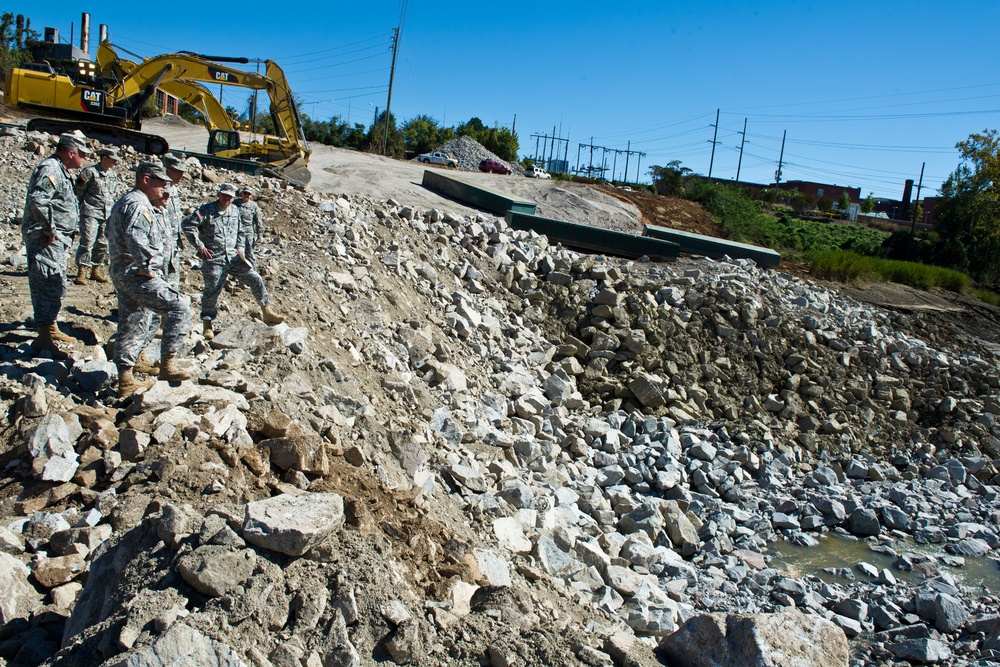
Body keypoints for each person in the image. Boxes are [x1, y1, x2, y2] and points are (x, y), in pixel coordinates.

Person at [107, 161, 191, 397]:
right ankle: (168, 365)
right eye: (161, 182)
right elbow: (136, 236)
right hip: (136, 274)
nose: (165, 187)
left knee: (131, 321)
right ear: (145, 180)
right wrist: (145, 266)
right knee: (179, 308)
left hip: (123, 272)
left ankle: (125, 380)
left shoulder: (127, 202)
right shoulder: (138, 204)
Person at [182, 182, 283, 341]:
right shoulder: (206, 210)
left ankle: (266, 311)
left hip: (233, 258)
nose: (226, 199)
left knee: (254, 277)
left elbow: (241, 231)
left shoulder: (235, 210)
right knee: (212, 290)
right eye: (224, 195)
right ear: (218, 194)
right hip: (214, 259)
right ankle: (207, 324)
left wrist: (240, 247)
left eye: (230, 197)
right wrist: (200, 246)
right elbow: (187, 225)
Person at [22, 133, 89, 360]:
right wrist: (50, 229)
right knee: (47, 284)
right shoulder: (50, 169)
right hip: (45, 239)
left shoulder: (61, 170)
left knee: (55, 284)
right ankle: (43, 338)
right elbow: (38, 200)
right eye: (82, 154)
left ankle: (49, 328)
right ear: (71, 153)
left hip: (57, 240)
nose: (85, 159)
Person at [74, 146, 120, 285]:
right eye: (112, 160)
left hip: (107, 213)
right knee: (87, 241)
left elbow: (112, 193)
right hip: (91, 212)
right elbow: (79, 191)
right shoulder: (89, 172)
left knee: (102, 243)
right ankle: (82, 271)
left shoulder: (113, 175)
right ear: (104, 158)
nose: (115, 163)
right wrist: (85, 206)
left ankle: (96, 269)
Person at [235, 186, 264, 269]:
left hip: (248, 234)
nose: (246, 195)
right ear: (242, 193)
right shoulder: (234, 203)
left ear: (251, 195)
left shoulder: (254, 206)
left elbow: (258, 221)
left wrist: (260, 235)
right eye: (245, 193)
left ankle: (252, 273)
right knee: (235, 254)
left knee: (249, 255)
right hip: (235, 233)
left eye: (249, 194)